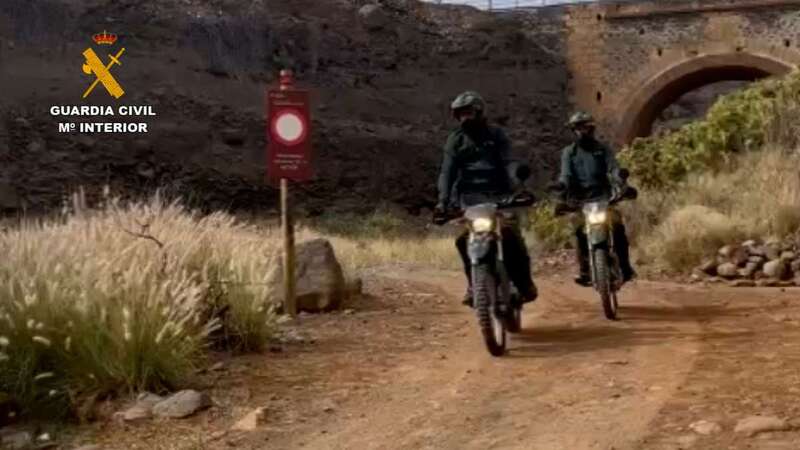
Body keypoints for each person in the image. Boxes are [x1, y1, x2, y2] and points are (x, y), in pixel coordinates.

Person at [434, 91, 538, 306]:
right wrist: (443, 201)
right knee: (463, 240)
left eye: (469, 112)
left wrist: (518, 185)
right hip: (469, 198)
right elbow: (447, 172)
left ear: (480, 112)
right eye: (461, 114)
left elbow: (509, 161)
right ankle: (474, 284)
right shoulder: (455, 140)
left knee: (511, 235)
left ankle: (523, 283)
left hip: (500, 195)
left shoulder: (496, 135)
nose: (465, 118)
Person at [556, 111, 636, 287]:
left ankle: (625, 267)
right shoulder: (569, 153)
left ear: (592, 128)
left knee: (617, 227)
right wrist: (562, 191)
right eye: (578, 128)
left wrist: (621, 180)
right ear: (574, 131)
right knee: (579, 231)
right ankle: (585, 270)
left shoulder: (602, 149)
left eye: (586, 127)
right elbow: (566, 175)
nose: (582, 131)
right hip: (580, 200)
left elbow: (613, 168)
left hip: (603, 197)